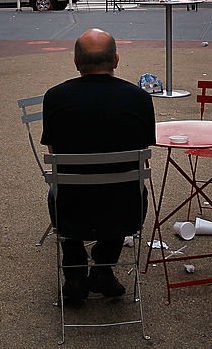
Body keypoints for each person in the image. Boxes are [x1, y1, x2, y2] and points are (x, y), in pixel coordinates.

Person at [41, 29, 156, 301]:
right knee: (126, 185)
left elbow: (55, 155)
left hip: (70, 208)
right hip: (125, 208)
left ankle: (75, 272)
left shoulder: (55, 98)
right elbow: (141, 152)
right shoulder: (140, 99)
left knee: (62, 188)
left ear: (76, 62)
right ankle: (103, 268)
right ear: (116, 60)